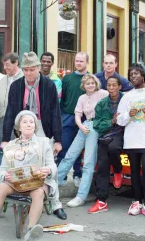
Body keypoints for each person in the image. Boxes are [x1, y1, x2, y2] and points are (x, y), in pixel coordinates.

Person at [0, 111, 57, 240]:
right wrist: (5, 175)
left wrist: (48, 170)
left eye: (31, 122)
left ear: (35, 126)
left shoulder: (44, 142)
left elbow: (52, 164)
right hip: (17, 182)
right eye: (25, 122)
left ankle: (31, 230)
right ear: (19, 127)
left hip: (37, 183)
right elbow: (3, 168)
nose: (29, 124)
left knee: (39, 192)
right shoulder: (11, 145)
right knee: (2, 187)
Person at [1, 52, 66, 220]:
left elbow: (55, 113)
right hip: (22, 126)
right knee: (21, 161)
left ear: (38, 68)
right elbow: (9, 113)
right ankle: (24, 193)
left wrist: (58, 140)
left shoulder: (48, 85)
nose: (29, 73)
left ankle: (56, 202)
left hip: (42, 126)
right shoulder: (16, 86)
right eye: (26, 70)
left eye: (32, 69)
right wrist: (5, 139)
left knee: (49, 163)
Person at [117, 64, 145, 220]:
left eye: (136, 73)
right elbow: (119, 121)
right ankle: (137, 202)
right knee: (134, 172)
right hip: (131, 140)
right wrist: (128, 115)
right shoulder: (127, 96)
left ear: (143, 75)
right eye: (130, 75)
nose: (133, 76)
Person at [58, 74, 108, 207]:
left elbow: (116, 99)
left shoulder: (103, 94)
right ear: (84, 86)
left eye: (92, 83)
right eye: (88, 83)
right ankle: (51, 186)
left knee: (88, 163)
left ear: (96, 83)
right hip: (84, 126)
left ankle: (81, 196)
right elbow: (78, 114)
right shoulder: (82, 97)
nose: (90, 85)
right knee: (69, 156)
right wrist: (80, 126)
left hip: (96, 127)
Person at [88, 76, 125, 214]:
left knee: (114, 148)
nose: (111, 88)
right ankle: (101, 201)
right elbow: (96, 125)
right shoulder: (101, 104)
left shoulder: (126, 100)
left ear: (120, 86)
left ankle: (117, 170)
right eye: (109, 85)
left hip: (123, 134)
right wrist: (111, 121)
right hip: (104, 135)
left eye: (114, 85)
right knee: (102, 167)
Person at [57, 52, 89, 187]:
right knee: (63, 146)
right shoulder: (67, 78)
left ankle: (77, 174)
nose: (79, 63)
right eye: (77, 61)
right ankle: (61, 176)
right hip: (68, 116)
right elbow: (62, 98)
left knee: (79, 149)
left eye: (81, 61)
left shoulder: (90, 79)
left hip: (84, 119)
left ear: (87, 62)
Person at [0, 52, 23, 168]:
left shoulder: (24, 78)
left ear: (16, 63)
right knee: (0, 151)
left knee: (16, 153)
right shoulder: (2, 80)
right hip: (1, 120)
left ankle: (14, 180)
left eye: (7, 65)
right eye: (4, 65)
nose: (4, 68)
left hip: (17, 122)